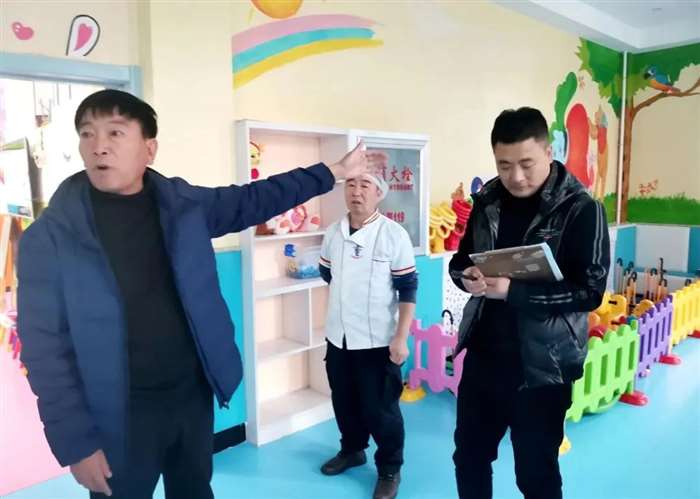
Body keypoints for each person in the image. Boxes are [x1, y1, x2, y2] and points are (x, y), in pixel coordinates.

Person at [17, 89, 385, 499]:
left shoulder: (183, 206)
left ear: (149, 149)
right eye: (87, 134)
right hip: (117, 414)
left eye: (115, 133)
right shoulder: (49, 238)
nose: (98, 146)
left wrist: (334, 171)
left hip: (191, 396)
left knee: (194, 491)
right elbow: (44, 350)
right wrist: (77, 444)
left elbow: (256, 198)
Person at [449, 107, 610, 499]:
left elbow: (590, 291)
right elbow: (461, 260)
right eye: (504, 166)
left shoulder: (582, 209)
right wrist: (465, 277)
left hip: (543, 368)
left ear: (549, 152)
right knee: (469, 457)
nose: (516, 177)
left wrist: (513, 292)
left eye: (526, 164)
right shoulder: (487, 201)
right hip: (485, 359)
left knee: (536, 475)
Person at [318, 172, 417, 499]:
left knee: (381, 409)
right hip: (339, 337)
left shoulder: (393, 235)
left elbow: (407, 288)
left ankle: (390, 468)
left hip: (378, 341)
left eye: (365, 186)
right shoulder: (333, 232)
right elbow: (327, 273)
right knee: (344, 400)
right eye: (351, 185)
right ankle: (352, 450)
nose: (356, 192)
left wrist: (401, 338)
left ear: (379, 193)